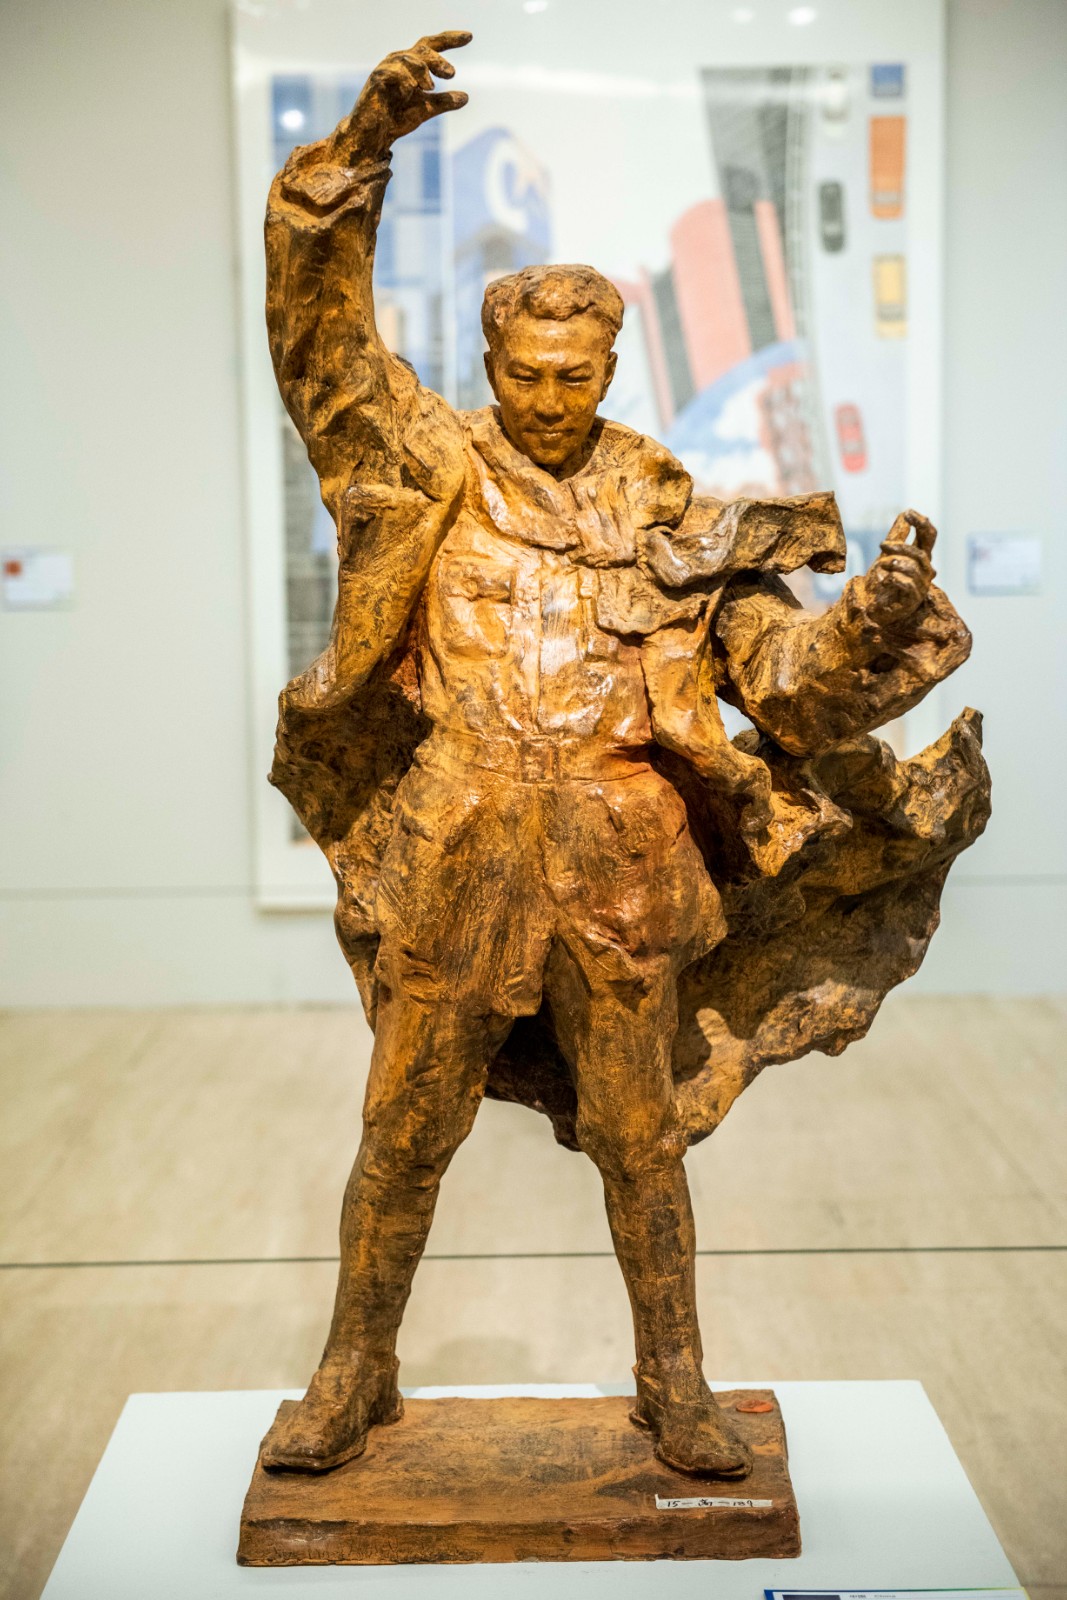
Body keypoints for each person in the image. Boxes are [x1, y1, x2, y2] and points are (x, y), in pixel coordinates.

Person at [259, 32, 988, 1477]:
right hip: (461, 850)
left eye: (577, 374)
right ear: (490, 364)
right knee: (404, 1131)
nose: (551, 398)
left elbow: (788, 684)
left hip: (622, 867)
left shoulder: (676, 520)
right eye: (528, 373)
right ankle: (354, 1369)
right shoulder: (427, 468)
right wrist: (355, 153)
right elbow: (321, 351)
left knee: (642, 1139)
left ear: (611, 366)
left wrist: (869, 621)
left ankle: (675, 1382)